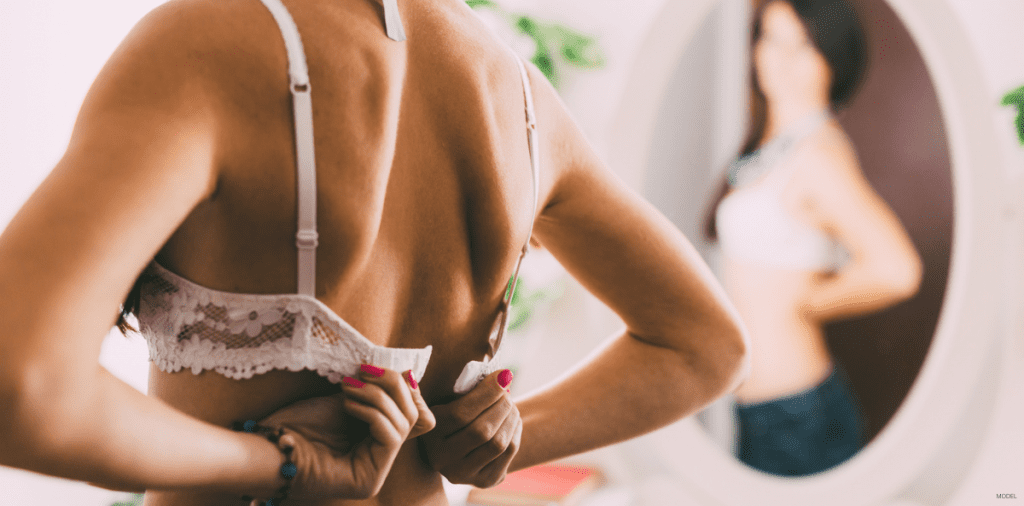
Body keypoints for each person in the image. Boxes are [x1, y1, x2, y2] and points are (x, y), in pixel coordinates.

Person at [0, 0, 749, 504]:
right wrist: (482, 441)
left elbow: (17, 389)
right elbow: (703, 344)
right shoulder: (518, 98)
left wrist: (283, 463)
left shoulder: (209, 45)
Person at [704, 0, 922, 477]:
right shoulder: (774, 147)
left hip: (796, 414)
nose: (781, 59)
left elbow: (897, 270)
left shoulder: (818, 156)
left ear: (833, 59)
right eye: (771, 39)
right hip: (765, 411)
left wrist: (804, 307)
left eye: (803, 45)